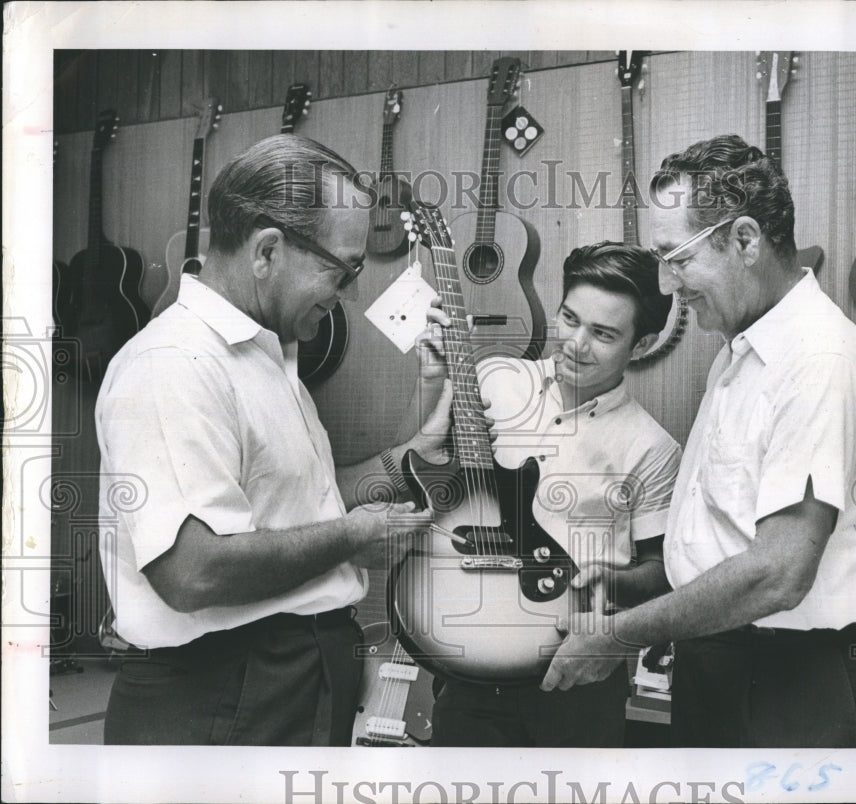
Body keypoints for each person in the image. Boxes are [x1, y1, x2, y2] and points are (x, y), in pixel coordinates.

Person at [542, 134, 856, 748]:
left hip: (800, 687)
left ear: (744, 240)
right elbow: (733, 539)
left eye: (676, 258)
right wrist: (644, 583)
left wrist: (616, 636)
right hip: (724, 667)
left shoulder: (818, 359)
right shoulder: (742, 351)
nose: (664, 284)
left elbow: (779, 574)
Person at [94, 134, 452, 746]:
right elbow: (192, 572)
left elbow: (298, 506)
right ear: (266, 251)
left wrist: (415, 447)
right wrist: (357, 534)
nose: (352, 294)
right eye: (344, 270)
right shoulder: (173, 364)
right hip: (224, 689)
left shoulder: (266, 354)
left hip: (285, 678)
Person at [413, 242, 682, 747]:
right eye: (570, 319)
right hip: (470, 661)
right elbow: (420, 470)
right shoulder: (493, 384)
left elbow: (661, 573)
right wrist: (432, 383)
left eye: (603, 334)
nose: (576, 344)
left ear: (641, 346)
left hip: (576, 678)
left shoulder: (654, 448)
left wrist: (609, 584)